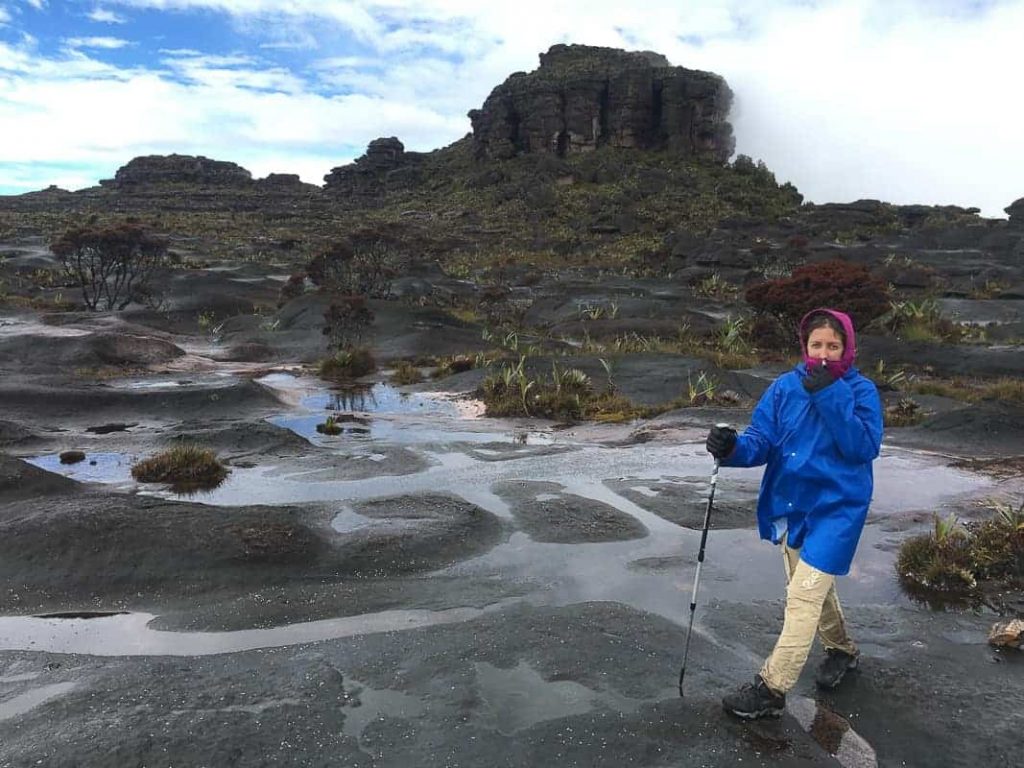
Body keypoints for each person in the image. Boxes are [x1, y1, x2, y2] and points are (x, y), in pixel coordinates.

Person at [705, 307, 883, 719]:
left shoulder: (860, 392)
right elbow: (761, 441)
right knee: (814, 592)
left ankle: (771, 689)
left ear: (847, 348)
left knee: (802, 597)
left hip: (838, 511)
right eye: (816, 345)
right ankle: (843, 651)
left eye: (833, 346)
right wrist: (730, 447)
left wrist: (829, 393)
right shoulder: (784, 388)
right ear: (805, 346)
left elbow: (862, 447)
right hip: (791, 506)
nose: (823, 354)